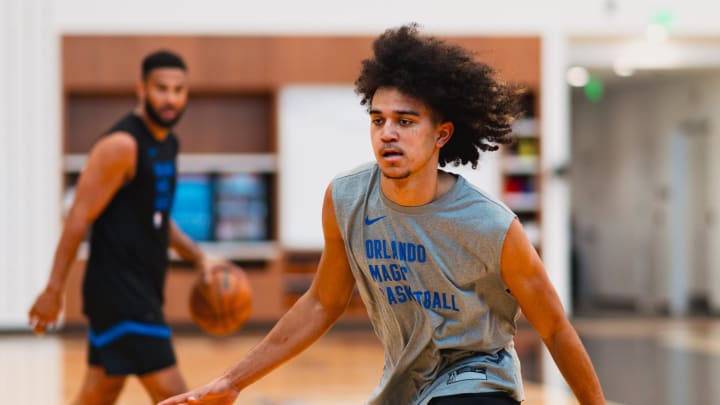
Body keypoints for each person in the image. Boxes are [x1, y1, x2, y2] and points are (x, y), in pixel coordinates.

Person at [159, 24, 606, 405]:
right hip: (405, 384)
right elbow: (321, 303)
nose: (388, 133)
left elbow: (555, 328)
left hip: (480, 378)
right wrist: (231, 383)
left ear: (441, 135)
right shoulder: (347, 199)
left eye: (405, 122)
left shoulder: (493, 226)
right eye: (378, 120)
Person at [28, 50, 225, 404]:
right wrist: (53, 290)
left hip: (142, 290)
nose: (170, 98)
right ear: (141, 89)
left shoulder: (168, 144)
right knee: (176, 395)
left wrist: (200, 258)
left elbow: (159, 218)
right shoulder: (121, 145)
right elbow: (78, 217)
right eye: (161, 88)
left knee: (100, 391)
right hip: (121, 295)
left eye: (179, 90)